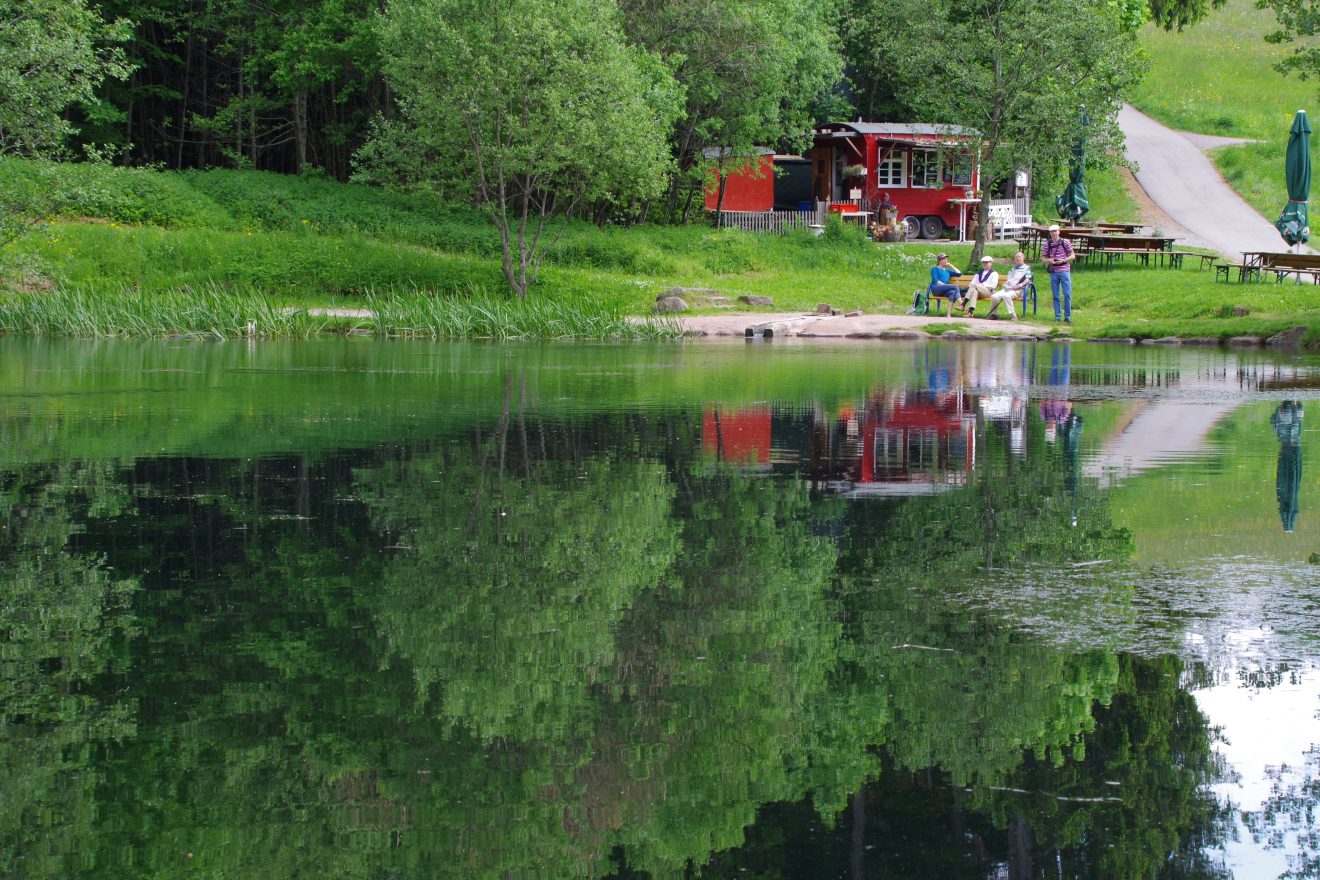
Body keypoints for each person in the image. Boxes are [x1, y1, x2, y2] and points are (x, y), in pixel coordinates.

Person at [1041, 224, 1075, 322]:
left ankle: (1068, 317)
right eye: (1052, 232)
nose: (1054, 233)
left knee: (1067, 294)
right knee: (1056, 295)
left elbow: (1073, 255)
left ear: (1059, 232)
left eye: (1055, 231)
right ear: (1050, 233)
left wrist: (1064, 259)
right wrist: (1050, 260)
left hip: (1064, 270)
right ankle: (1058, 316)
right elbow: (1043, 259)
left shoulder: (1065, 242)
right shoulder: (1047, 244)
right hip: (1054, 272)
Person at [986, 252, 1032, 320]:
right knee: (994, 296)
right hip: (1007, 289)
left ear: (1023, 258)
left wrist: (1020, 285)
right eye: (1016, 257)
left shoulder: (1026, 268)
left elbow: (1028, 279)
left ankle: (1013, 315)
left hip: (1018, 290)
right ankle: (994, 314)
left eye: (1019, 257)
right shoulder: (1012, 269)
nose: (1017, 258)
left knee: (1006, 296)